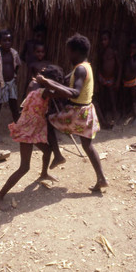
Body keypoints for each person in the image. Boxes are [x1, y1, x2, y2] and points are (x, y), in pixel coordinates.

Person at [36, 33, 108, 192]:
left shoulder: (81, 69)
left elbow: (74, 92)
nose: (67, 54)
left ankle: (57, 155)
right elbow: (66, 84)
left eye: (69, 51)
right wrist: (53, 83)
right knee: (88, 146)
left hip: (77, 111)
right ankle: (101, 178)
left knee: (48, 120)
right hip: (87, 110)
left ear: (76, 52)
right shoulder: (85, 66)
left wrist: (47, 83)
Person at [0, 65, 64, 210]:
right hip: (27, 130)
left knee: (48, 150)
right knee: (24, 167)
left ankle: (43, 174)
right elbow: (64, 93)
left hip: (33, 129)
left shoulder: (33, 84)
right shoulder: (44, 91)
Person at [97, 30, 120, 126]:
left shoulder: (114, 52)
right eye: (102, 40)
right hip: (102, 77)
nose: (103, 42)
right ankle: (104, 114)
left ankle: (115, 114)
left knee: (112, 97)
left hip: (111, 78)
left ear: (110, 40)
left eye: (105, 40)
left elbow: (119, 66)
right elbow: (99, 65)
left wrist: (118, 80)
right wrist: (98, 76)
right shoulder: (102, 52)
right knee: (103, 96)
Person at [120, 39, 136, 125]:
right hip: (125, 81)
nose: (132, 50)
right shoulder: (127, 57)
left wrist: (131, 57)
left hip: (132, 82)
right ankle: (124, 113)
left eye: (134, 48)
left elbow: (133, 68)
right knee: (124, 98)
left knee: (133, 99)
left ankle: (135, 116)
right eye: (130, 48)